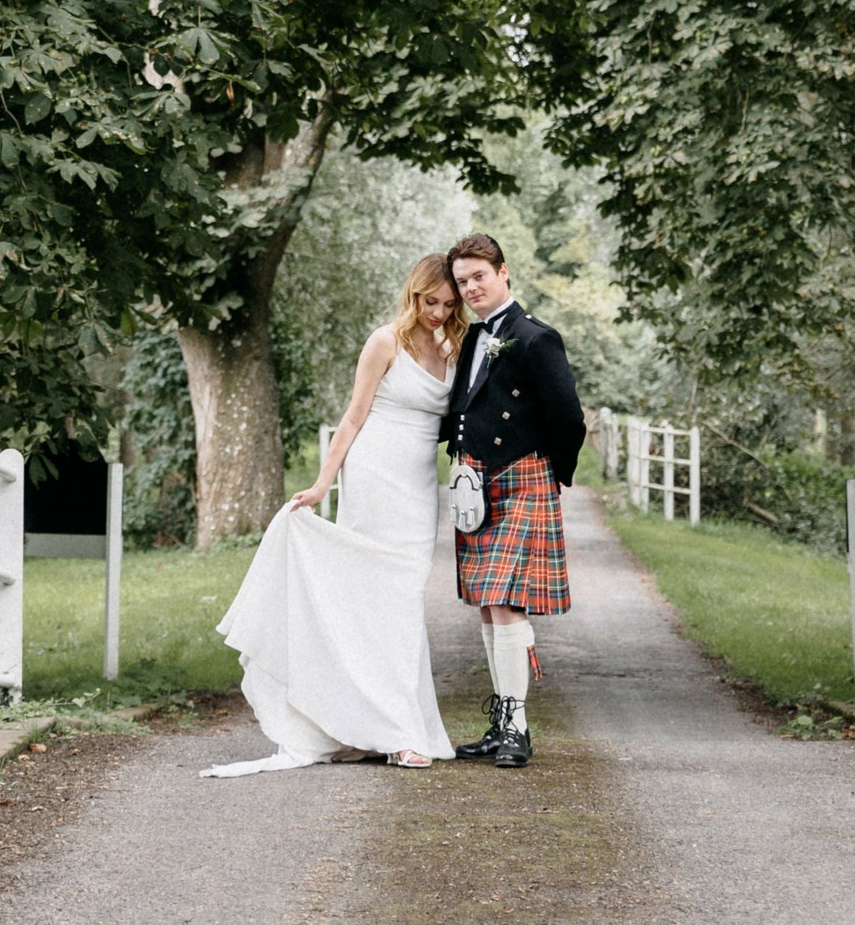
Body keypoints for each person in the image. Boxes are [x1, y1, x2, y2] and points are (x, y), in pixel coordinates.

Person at [201, 255, 463, 776]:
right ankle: (396, 732)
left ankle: (377, 722)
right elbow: (353, 416)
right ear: (412, 295)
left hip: (417, 486)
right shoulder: (385, 341)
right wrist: (323, 484)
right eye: (429, 301)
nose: (437, 312)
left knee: (405, 599)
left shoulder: (455, 347)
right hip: (373, 477)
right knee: (374, 602)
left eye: (448, 304)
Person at [442, 232, 583, 768]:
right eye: (462, 281)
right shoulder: (471, 339)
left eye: (479, 275)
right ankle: (501, 724)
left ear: (504, 273)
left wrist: (551, 474)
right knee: (487, 604)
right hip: (475, 483)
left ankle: (517, 728)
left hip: (521, 475)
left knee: (506, 602)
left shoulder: (535, 338)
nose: (471, 287)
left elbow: (568, 418)